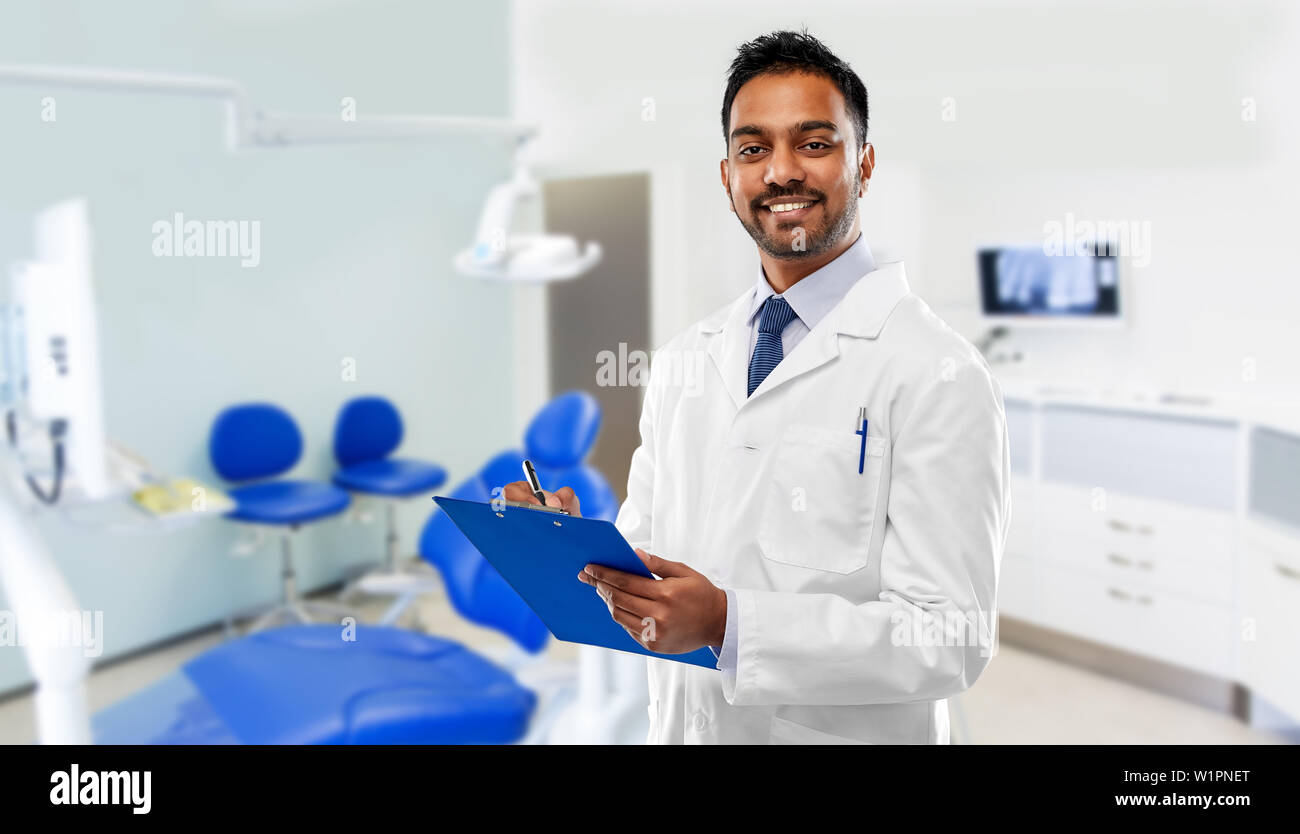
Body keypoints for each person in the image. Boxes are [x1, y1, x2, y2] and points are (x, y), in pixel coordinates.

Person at [505, 29, 1010, 744]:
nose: (780, 172)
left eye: (814, 143)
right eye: (752, 149)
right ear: (727, 176)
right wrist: (571, 551)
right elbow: (648, 566)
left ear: (863, 165)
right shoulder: (687, 359)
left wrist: (728, 624)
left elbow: (950, 636)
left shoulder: (937, 373)